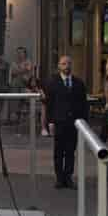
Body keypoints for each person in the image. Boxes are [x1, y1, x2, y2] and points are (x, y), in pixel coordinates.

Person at [44, 55, 89, 189]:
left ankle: (68, 177)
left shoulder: (78, 83)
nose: (66, 66)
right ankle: (59, 178)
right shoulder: (52, 82)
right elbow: (49, 104)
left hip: (74, 122)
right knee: (58, 151)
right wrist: (50, 122)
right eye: (63, 64)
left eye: (68, 64)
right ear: (59, 66)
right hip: (59, 121)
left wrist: (84, 122)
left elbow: (83, 104)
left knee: (70, 151)